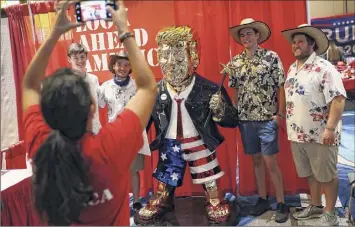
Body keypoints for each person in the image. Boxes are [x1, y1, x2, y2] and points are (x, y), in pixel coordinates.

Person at [22, 0, 157, 225]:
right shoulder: (111, 145)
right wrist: (123, 29)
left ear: (45, 112)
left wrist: (55, 32)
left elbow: (28, 85)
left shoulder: (40, 146)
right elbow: (148, 86)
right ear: (92, 107)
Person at [134, 25, 240, 226]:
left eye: (179, 56)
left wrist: (220, 110)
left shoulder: (208, 89)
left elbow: (233, 120)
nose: (171, 63)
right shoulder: (155, 92)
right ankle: (162, 197)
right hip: (170, 143)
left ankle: (214, 198)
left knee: (207, 172)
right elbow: (143, 121)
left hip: (199, 141)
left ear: (194, 58)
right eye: (165, 56)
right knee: (166, 172)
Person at [282, 24, 347, 226]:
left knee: (327, 175)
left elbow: (338, 99)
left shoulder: (325, 68)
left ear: (312, 44)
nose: (295, 45)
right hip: (297, 134)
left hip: (321, 134)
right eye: (294, 42)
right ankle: (316, 206)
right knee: (310, 174)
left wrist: (329, 128)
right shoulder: (292, 68)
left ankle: (330, 213)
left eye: (300, 41)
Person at [227, 18, 289, 223]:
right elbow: (234, 89)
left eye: (249, 33)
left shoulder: (271, 57)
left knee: (270, 161)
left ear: (258, 36)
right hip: (245, 120)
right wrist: (233, 113)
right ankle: (263, 198)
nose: (246, 37)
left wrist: (280, 114)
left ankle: (281, 202)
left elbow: (281, 86)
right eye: (242, 35)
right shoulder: (235, 62)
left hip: (267, 119)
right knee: (255, 160)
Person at [98, 50, 151, 212]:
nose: (122, 68)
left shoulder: (137, 86)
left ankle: (135, 201)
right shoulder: (104, 87)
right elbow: (99, 105)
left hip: (132, 134)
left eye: (126, 65)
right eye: (119, 64)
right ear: (113, 66)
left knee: (133, 170)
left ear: (130, 68)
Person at [67, 42, 101, 135]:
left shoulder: (94, 79)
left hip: (95, 129)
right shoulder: (65, 82)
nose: (80, 60)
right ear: (69, 59)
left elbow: (99, 104)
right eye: (75, 58)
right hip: (75, 132)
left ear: (86, 57)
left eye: (82, 57)